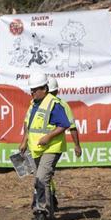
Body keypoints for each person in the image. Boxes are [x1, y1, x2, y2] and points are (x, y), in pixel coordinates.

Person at [19, 73, 71, 220]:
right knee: (40, 180)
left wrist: (48, 136)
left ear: (44, 88)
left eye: (35, 90)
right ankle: (49, 212)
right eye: (31, 90)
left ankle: (42, 211)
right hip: (36, 148)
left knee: (42, 178)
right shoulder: (33, 103)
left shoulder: (54, 104)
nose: (32, 93)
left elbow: (64, 124)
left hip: (51, 147)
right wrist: (24, 141)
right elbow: (28, 124)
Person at [46, 77, 82, 211]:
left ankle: (49, 199)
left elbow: (72, 126)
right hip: (39, 146)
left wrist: (77, 145)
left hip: (54, 146)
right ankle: (50, 197)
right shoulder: (37, 104)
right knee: (44, 174)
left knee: (45, 173)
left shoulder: (61, 106)